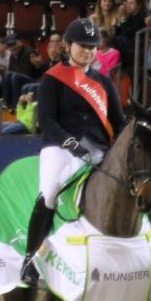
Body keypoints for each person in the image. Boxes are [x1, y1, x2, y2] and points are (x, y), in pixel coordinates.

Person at [19, 17, 129, 283]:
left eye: (93, 46)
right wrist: (71, 144)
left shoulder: (103, 82)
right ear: (68, 46)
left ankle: (149, 255)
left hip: (99, 149)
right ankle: (30, 259)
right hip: (60, 147)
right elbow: (46, 121)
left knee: (133, 189)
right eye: (83, 45)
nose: (89, 51)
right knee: (49, 192)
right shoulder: (52, 79)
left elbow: (119, 122)